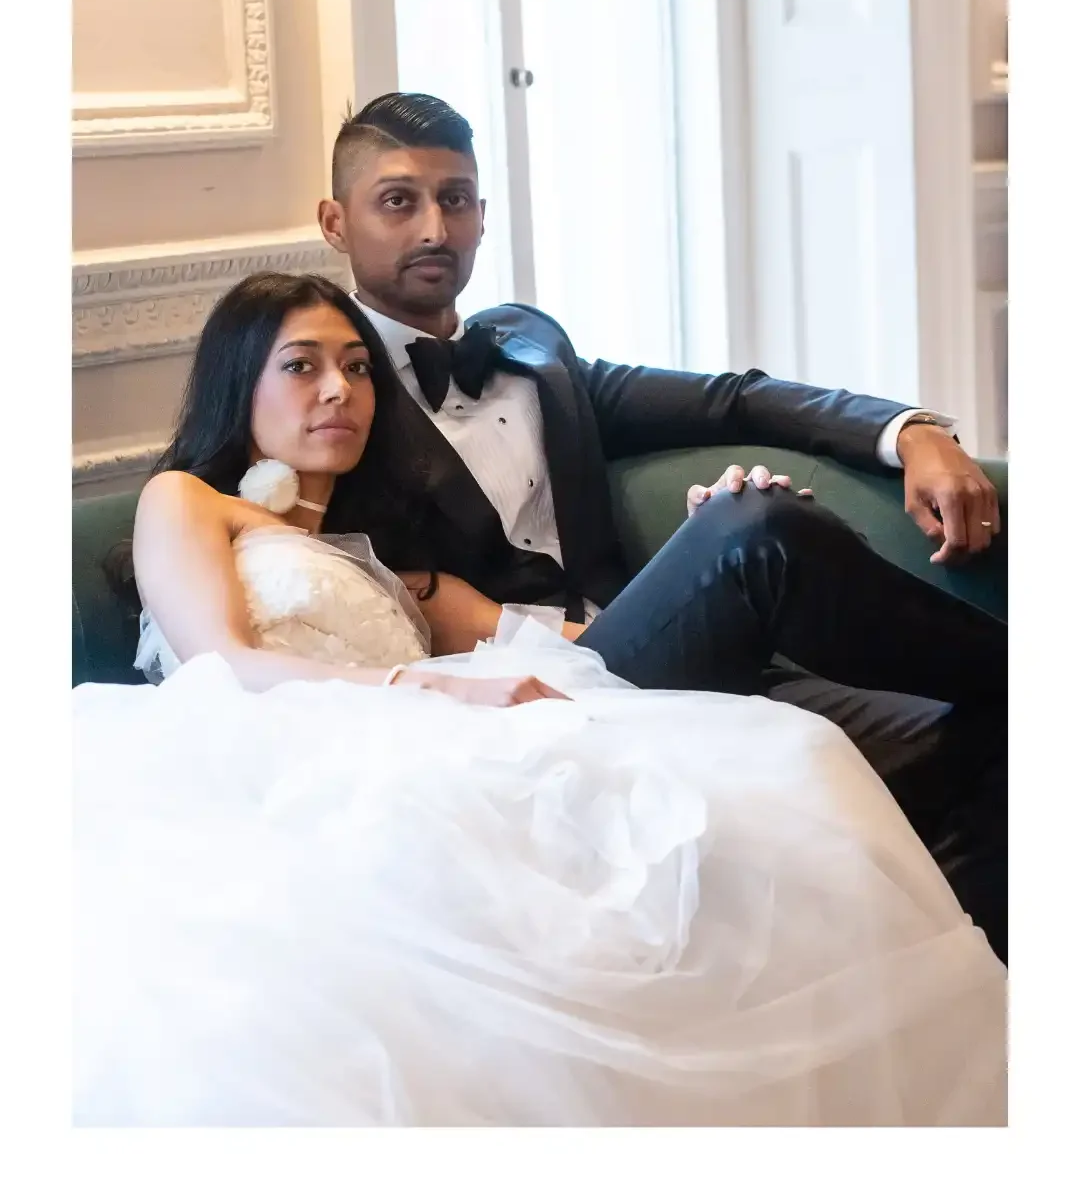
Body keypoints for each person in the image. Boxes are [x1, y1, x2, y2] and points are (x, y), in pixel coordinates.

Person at [74, 272, 1005, 1127]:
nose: (339, 390)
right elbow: (222, 665)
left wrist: (693, 568)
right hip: (338, 775)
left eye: (357, 368)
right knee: (757, 558)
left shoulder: (403, 575)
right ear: (241, 384)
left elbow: (569, 645)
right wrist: (414, 682)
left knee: (759, 541)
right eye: (302, 366)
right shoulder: (185, 501)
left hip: (496, 724)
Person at [316, 92, 1007, 959]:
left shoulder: (534, 353)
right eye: (398, 200)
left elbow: (737, 397)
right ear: (336, 222)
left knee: (1006, 734)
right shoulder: (323, 392)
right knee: (755, 527)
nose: (433, 226)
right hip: (524, 716)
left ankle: (971, 996)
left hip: (667, 672)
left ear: (484, 217)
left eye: (455, 199)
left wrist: (913, 431)